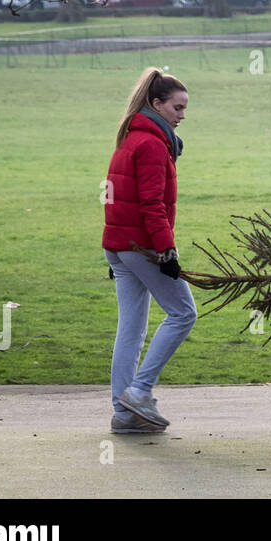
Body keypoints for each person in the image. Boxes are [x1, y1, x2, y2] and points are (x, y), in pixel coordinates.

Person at [102, 68, 197, 434]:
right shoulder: (153, 144)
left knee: (130, 330)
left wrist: (118, 253)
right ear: (157, 104)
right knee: (183, 313)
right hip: (141, 247)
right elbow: (151, 205)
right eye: (178, 107)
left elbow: (116, 198)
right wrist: (167, 252)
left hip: (121, 247)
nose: (183, 115)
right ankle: (139, 393)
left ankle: (124, 415)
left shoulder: (130, 138)